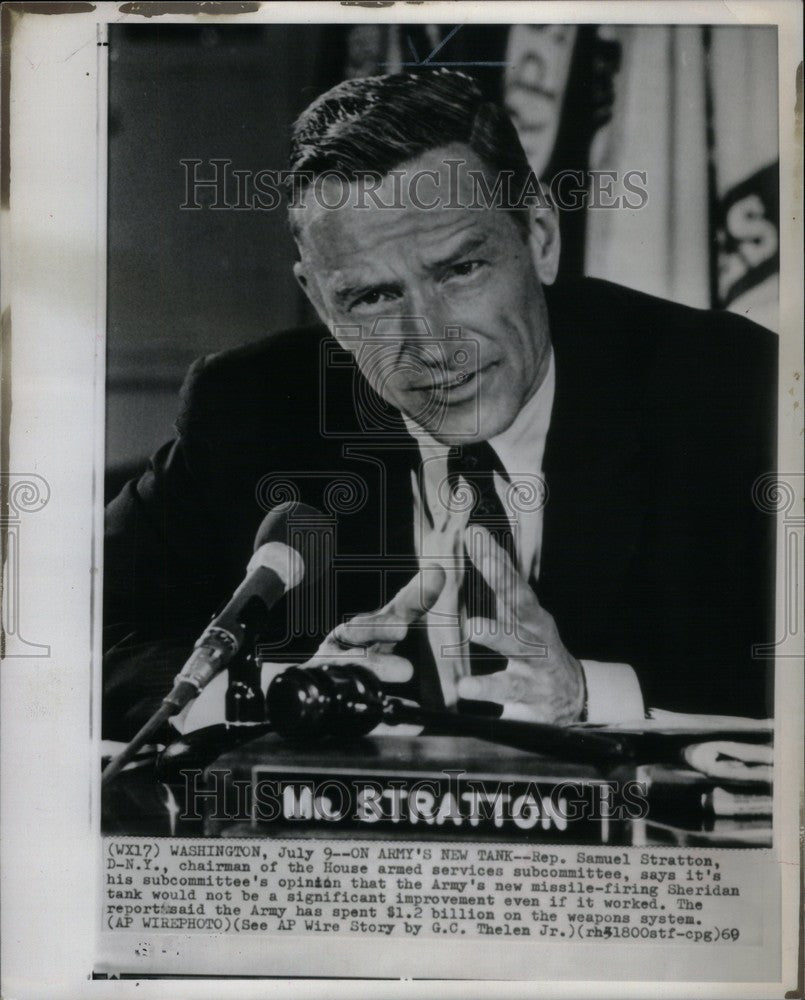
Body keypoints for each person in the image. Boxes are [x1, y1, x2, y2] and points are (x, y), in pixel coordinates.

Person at [103, 69, 777, 742]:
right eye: (372, 297)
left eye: (459, 271)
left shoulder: (729, 393)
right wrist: (281, 693)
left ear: (539, 237)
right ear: (320, 303)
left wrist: (589, 692)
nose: (429, 345)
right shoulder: (252, 408)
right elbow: (71, 628)